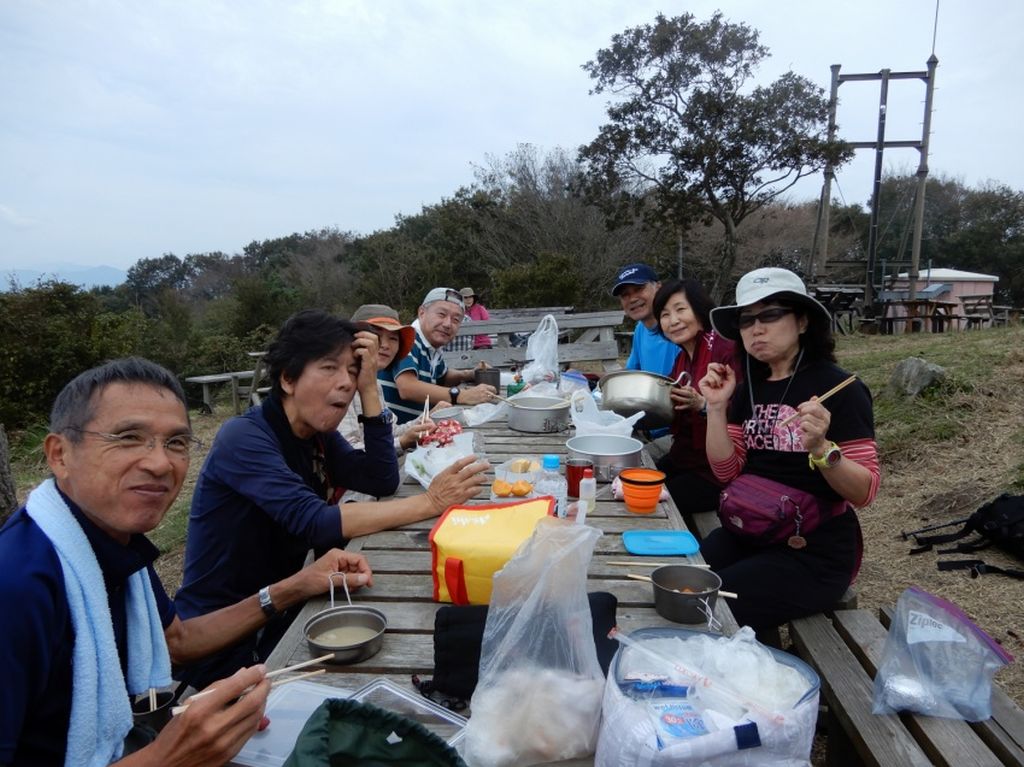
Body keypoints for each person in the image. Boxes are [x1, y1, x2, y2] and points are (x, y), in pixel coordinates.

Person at [0, 357, 373, 766]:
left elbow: (176, 642)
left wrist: (298, 585)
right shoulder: (17, 586)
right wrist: (168, 758)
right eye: (127, 437)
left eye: (176, 443)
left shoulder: (108, 539)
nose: (160, 464)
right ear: (59, 455)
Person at [176, 310, 488, 689]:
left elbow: (380, 478)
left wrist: (371, 388)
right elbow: (316, 521)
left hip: (283, 613)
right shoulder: (244, 438)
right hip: (222, 639)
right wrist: (431, 502)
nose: (345, 383)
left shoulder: (313, 434)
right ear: (288, 378)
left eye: (352, 371)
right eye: (329, 368)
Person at [698, 267, 880, 634]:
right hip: (747, 530)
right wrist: (716, 407)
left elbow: (865, 491)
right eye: (746, 320)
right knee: (683, 579)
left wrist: (822, 449)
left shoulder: (840, 387)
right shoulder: (748, 386)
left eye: (770, 314)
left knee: (712, 605)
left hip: (811, 552)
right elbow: (726, 472)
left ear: (802, 322)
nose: (756, 328)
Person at [651, 278, 739, 527]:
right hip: (686, 457)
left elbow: (743, 413)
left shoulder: (724, 349)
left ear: (699, 310)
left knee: (657, 499)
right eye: (665, 314)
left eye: (681, 309)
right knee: (638, 478)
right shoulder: (681, 358)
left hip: (717, 473)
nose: (673, 320)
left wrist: (703, 405)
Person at [380, 287, 497, 424]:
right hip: (395, 436)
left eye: (456, 320)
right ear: (422, 312)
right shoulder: (409, 339)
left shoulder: (432, 347)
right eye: (441, 314)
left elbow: (442, 378)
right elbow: (407, 388)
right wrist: (463, 395)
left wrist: (470, 374)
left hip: (417, 431)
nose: (448, 324)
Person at [337, 303, 436, 454]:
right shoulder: (341, 385)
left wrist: (427, 418)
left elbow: (390, 430)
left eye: (393, 338)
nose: (384, 345)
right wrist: (402, 442)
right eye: (375, 336)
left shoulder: (374, 383)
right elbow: (348, 452)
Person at [612, 263, 679, 377]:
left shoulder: (677, 326)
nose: (632, 299)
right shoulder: (641, 329)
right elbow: (631, 373)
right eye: (625, 295)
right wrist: (587, 376)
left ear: (658, 287)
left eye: (639, 289)